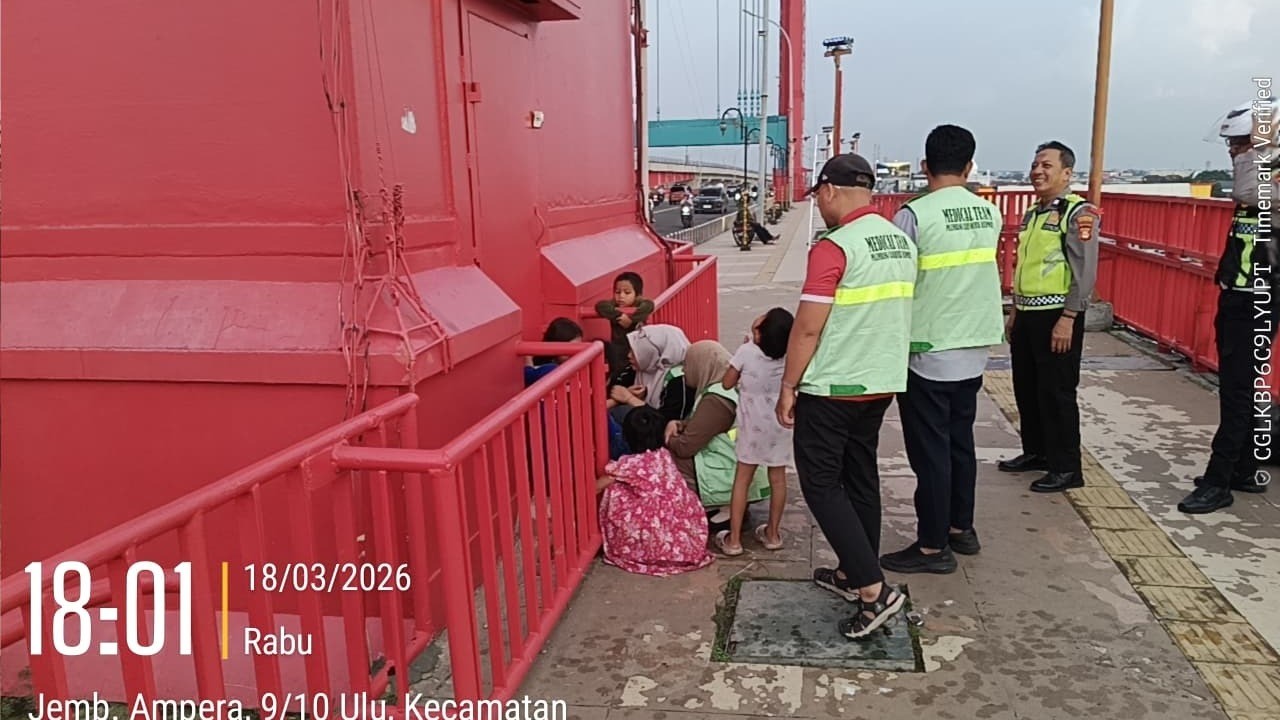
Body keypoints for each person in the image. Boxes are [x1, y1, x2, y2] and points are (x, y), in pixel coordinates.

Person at [776, 153, 916, 640]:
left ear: (829, 191)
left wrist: (788, 385)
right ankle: (852, 573)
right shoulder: (900, 241)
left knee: (820, 484)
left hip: (834, 384)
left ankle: (875, 591)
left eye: (818, 195)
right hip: (881, 382)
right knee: (860, 479)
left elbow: (808, 329)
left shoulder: (834, 247)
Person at [880, 125, 1005, 574]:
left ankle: (932, 547)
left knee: (929, 452)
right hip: (973, 344)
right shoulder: (989, 213)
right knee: (959, 442)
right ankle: (960, 528)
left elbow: (895, 282)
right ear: (969, 166)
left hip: (927, 349)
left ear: (924, 166)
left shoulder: (915, 215)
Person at [1178, 98, 1279, 514]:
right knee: (1240, 387)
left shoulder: (1267, 181)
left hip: (1258, 299)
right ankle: (1244, 466)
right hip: (1238, 294)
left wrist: (1260, 151)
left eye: (1240, 144)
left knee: (1237, 391)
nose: (1234, 152)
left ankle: (1220, 481)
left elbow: (1248, 191)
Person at [997, 141, 1099, 494]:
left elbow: (1083, 271)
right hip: (1027, 313)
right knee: (1027, 388)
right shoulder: (1034, 213)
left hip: (1058, 315)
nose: (1037, 171)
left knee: (1057, 393)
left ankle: (1067, 467)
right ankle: (1036, 452)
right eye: (1035, 164)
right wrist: (1014, 311)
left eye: (1047, 166)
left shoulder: (1078, 212)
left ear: (1067, 173)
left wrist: (1069, 316)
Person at [597, 405, 715, 577]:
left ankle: (634, 547)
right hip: (685, 544)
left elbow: (599, 485)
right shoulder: (664, 455)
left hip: (651, 545)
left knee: (614, 486)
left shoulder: (630, 464)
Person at [665, 340, 770, 532]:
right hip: (744, 464)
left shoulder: (716, 399)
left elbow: (686, 446)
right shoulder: (729, 388)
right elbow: (708, 426)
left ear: (702, 365)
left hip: (732, 469)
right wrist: (679, 424)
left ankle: (720, 502)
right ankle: (729, 504)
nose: (685, 371)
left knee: (668, 458)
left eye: (688, 365)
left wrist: (667, 439)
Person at [714, 308, 794, 556]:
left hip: (751, 429)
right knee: (778, 478)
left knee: (742, 480)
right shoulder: (791, 356)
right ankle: (772, 534)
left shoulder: (747, 352)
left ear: (761, 333)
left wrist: (747, 347)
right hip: (781, 425)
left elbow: (727, 382)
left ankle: (734, 540)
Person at [526, 317, 629, 459]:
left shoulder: (575, 369)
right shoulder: (552, 370)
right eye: (569, 349)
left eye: (579, 348)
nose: (575, 353)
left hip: (596, 430)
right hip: (588, 436)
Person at [608, 324, 695, 426]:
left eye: (636, 351)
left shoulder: (679, 379)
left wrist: (630, 399)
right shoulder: (640, 368)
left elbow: (668, 422)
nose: (629, 355)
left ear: (652, 353)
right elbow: (615, 390)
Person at [596, 271, 655, 387]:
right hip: (618, 352)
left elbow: (649, 305)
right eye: (617, 292)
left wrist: (631, 320)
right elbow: (600, 305)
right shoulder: (614, 306)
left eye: (627, 292)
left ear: (637, 294)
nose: (621, 296)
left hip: (636, 351)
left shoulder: (640, 304)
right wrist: (618, 315)